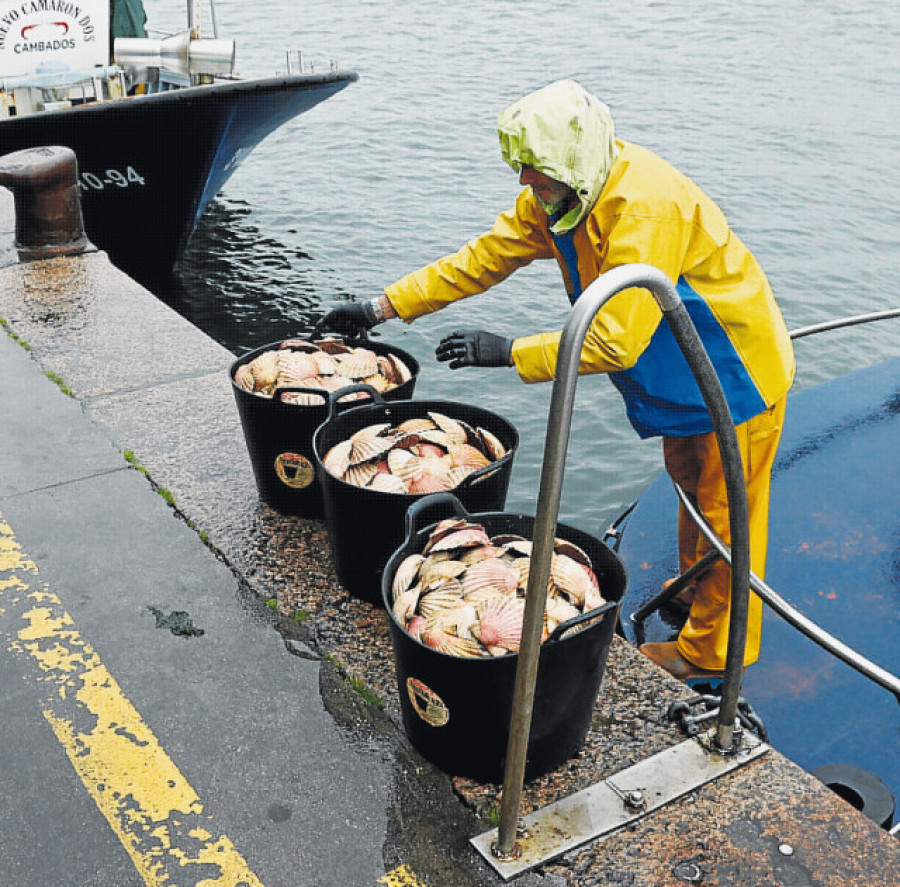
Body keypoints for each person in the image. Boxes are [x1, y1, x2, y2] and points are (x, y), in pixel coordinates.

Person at [316, 79, 795, 681]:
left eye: (533, 168)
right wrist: (379, 307)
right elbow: (482, 257)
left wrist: (509, 351)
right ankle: (697, 587)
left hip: (732, 372)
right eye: (519, 167)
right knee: (690, 486)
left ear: (571, 160)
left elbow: (617, 337)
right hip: (679, 376)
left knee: (727, 513)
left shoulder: (642, 206)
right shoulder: (561, 195)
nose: (523, 181)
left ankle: (714, 650)